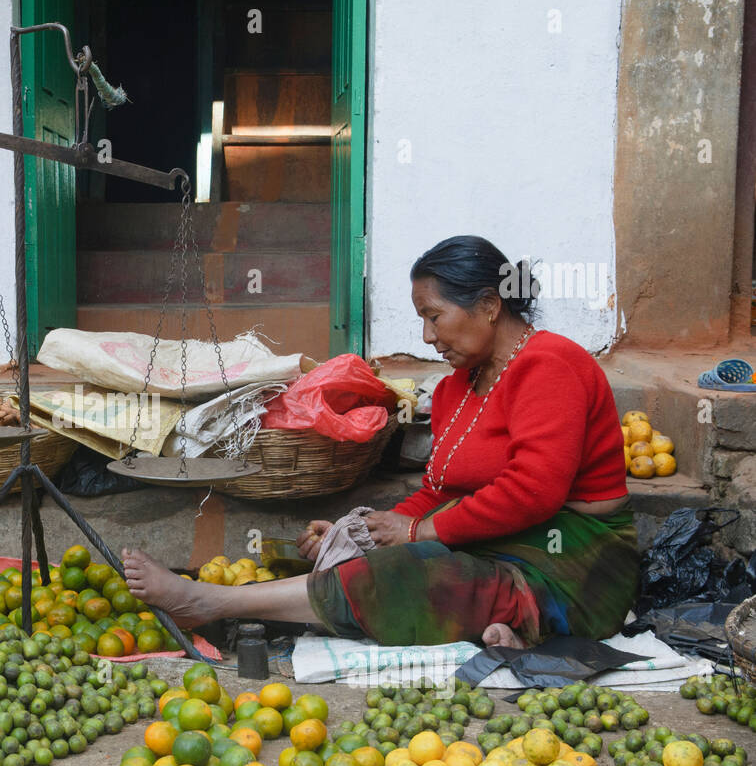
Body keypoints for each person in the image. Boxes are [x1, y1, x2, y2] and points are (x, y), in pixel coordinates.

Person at [123, 235, 637, 648]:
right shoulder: (458, 384)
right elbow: (440, 486)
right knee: (385, 561)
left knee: (411, 572)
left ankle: (214, 603)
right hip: (501, 546)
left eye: (434, 317)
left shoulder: (550, 366)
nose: (427, 337)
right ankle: (505, 627)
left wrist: (414, 534)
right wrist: (366, 531)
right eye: (422, 320)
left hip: (573, 563)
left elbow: (533, 492)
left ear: (487, 305)